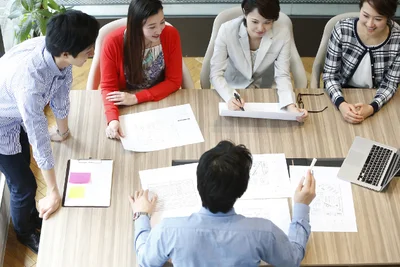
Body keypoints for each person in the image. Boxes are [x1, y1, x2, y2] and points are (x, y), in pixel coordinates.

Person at [0, 10, 99, 253]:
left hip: (13, 112)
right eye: (88, 49)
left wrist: (63, 132)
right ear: (66, 53)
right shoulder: (30, 85)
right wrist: (54, 192)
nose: (92, 52)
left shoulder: (55, 54)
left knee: (25, 163)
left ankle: (32, 217)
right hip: (2, 123)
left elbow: (61, 92)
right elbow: (40, 140)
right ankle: (23, 233)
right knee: (23, 185)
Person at [128, 140, 316, 266]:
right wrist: (301, 207)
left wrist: (141, 215)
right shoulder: (263, 233)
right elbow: (292, 259)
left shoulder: (168, 231)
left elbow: (145, 260)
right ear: (242, 189)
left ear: (198, 182)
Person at [210, 0, 308, 122]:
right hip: (234, 89)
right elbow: (215, 73)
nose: (261, 28)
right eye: (255, 22)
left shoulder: (282, 33)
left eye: (267, 22)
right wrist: (230, 96)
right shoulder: (226, 30)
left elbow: (282, 74)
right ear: (245, 14)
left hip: (267, 91)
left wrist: (290, 106)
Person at [101, 0, 183, 139]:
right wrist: (113, 119)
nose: (159, 30)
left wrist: (136, 98)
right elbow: (109, 88)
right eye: (152, 26)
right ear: (136, 26)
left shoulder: (171, 35)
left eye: (162, 22)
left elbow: (174, 81)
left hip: (160, 99)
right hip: (125, 104)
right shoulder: (112, 42)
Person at [323, 0, 400, 124]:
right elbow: (330, 75)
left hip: (376, 96)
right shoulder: (342, 30)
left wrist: (372, 107)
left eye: (378, 19)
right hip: (341, 93)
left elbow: (390, 84)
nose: (370, 24)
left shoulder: (397, 40)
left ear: (388, 17)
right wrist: (341, 104)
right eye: (365, 15)